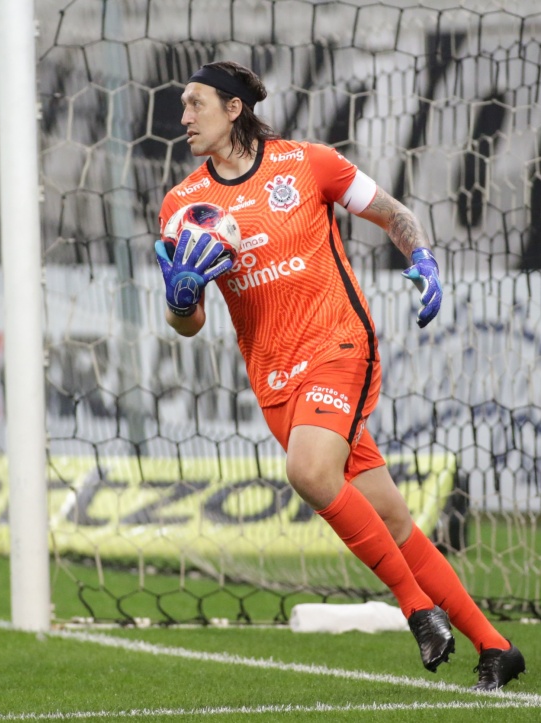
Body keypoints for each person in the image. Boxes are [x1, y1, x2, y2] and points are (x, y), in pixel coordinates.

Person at [154, 60, 526, 691]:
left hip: (339, 344)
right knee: (395, 521)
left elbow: (393, 213)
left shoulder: (308, 163)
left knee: (308, 472)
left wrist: (425, 260)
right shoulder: (183, 205)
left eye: (195, 104)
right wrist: (183, 298)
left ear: (233, 108)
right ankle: (496, 646)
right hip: (274, 377)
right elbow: (183, 324)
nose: (183, 117)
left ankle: (416, 612)